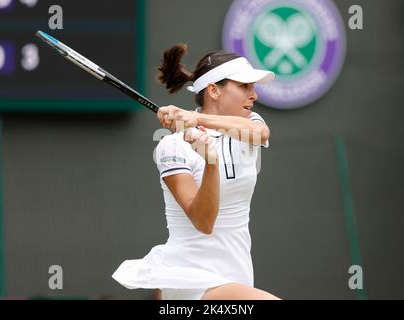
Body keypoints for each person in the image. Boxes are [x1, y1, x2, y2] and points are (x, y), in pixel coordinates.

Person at [112, 44, 280, 300]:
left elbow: (262, 133)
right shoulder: (173, 146)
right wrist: (211, 162)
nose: (254, 95)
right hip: (191, 281)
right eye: (244, 86)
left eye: (253, 87)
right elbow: (203, 222)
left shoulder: (250, 126)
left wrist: (196, 119)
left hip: (237, 276)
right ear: (213, 90)